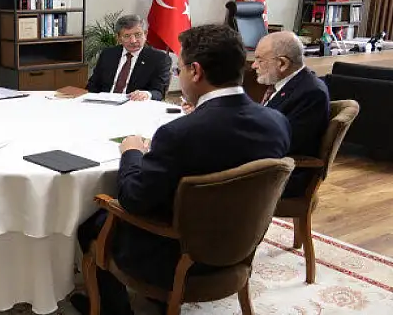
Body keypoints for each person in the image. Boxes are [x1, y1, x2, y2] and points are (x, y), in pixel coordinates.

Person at [70, 24, 291, 315]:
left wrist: (132, 152)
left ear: (195, 71)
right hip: (240, 245)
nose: (180, 75)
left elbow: (133, 199)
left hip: (174, 254)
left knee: (90, 223)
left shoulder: (178, 134)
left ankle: (114, 310)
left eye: (179, 70)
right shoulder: (276, 123)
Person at [251, 31, 330, 197]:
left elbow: (286, 144)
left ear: (282, 63)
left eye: (259, 60)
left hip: (283, 175)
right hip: (267, 164)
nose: (253, 65)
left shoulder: (311, 93)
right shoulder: (285, 84)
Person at [85, 14, 171, 101]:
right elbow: (93, 85)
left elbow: (159, 92)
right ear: (118, 38)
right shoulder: (108, 54)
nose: (133, 41)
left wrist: (146, 94)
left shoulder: (159, 59)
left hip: (134, 104)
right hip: (104, 102)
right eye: (127, 36)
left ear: (145, 34)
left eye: (138, 34)